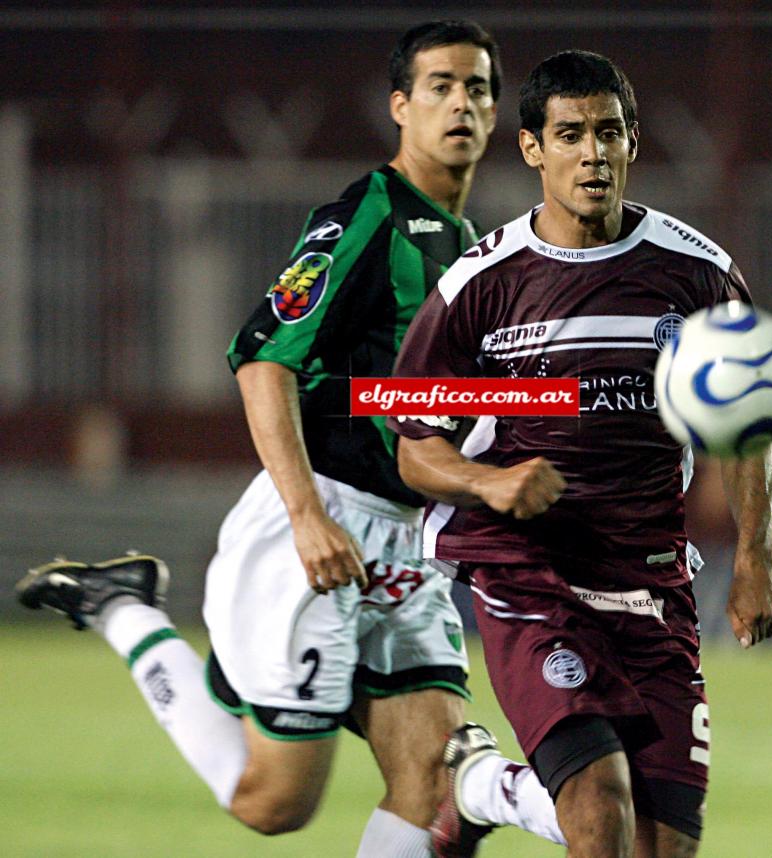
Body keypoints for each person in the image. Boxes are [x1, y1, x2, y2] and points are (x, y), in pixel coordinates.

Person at [16, 20, 501, 858]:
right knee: (273, 804)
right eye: (441, 86)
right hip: (322, 523)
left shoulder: (464, 244)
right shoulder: (366, 216)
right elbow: (261, 360)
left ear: (497, 115)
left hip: (406, 540)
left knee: (433, 791)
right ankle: (122, 608)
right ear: (401, 106)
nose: (461, 102)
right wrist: (309, 515)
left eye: (479, 88)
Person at [390, 50, 772, 858]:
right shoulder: (482, 284)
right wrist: (488, 482)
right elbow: (414, 447)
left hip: (650, 581)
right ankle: (487, 787)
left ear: (634, 142)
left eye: (609, 133)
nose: (592, 154)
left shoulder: (699, 275)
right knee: (596, 808)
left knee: (664, 844)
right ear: (533, 148)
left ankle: (481, 789)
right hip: (529, 571)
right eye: (569, 135)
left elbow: (745, 430)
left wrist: (756, 558)